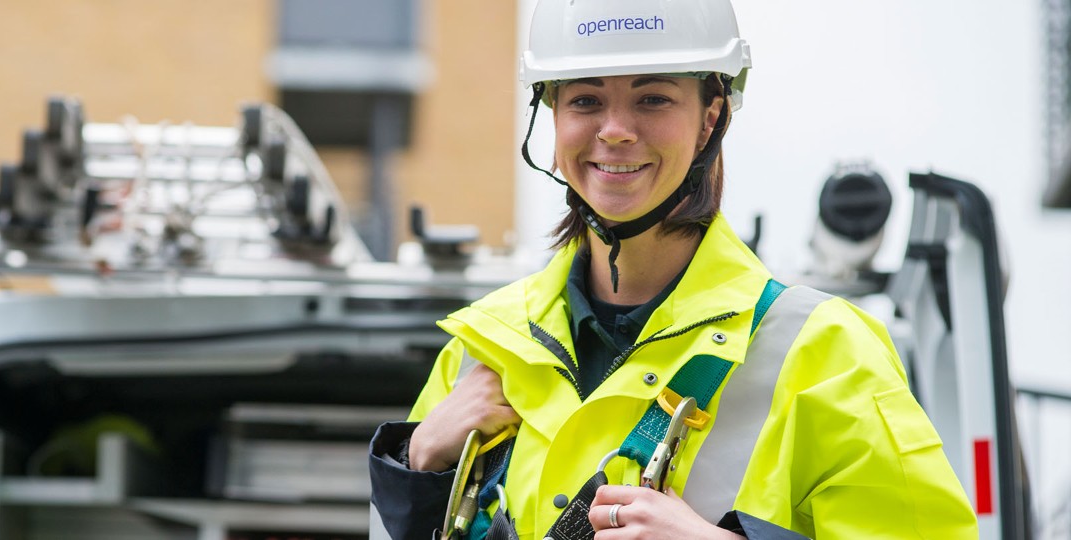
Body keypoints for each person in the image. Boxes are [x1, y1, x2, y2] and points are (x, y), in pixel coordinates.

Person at [369, 0, 978, 538]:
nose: (614, 129)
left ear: (711, 116)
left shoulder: (824, 353)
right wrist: (420, 462)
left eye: (652, 98)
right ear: (552, 115)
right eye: (585, 98)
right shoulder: (482, 351)